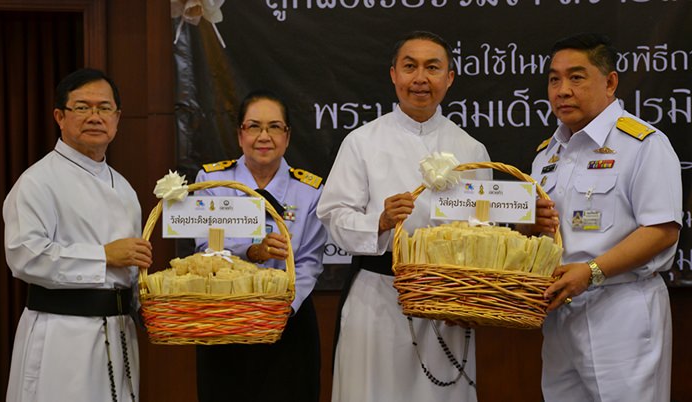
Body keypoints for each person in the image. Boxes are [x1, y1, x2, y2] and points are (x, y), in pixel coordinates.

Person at [317, 31, 491, 402]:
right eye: (410, 67)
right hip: (377, 298)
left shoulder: (472, 149)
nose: (420, 79)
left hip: (448, 303)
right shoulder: (361, 142)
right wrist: (378, 222)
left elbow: (484, 233)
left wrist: (469, 297)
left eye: (433, 67)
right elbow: (333, 218)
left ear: (450, 77)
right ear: (393, 74)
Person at [529, 33, 682, 401]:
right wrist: (529, 226)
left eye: (576, 77)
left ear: (610, 82)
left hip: (621, 309)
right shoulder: (546, 156)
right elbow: (542, 237)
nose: (562, 90)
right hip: (560, 311)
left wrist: (592, 271)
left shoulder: (643, 144)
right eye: (554, 79)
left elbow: (662, 231)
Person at [3, 68, 153, 402]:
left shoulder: (124, 187)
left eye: (104, 108)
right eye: (82, 107)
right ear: (59, 116)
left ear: (117, 118)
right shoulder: (38, 181)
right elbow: (24, 255)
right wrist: (103, 255)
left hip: (118, 331)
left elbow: (129, 271)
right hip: (63, 334)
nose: (95, 117)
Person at [194, 90, 327, 402]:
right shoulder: (213, 182)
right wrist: (253, 251)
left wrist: (285, 308)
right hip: (226, 316)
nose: (263, 136)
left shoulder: (309, 190)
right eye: (254, 126)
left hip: (288, 322)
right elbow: (205, 250)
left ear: (288, 136)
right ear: (240, 135)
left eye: (275, 127)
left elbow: (309, 261)